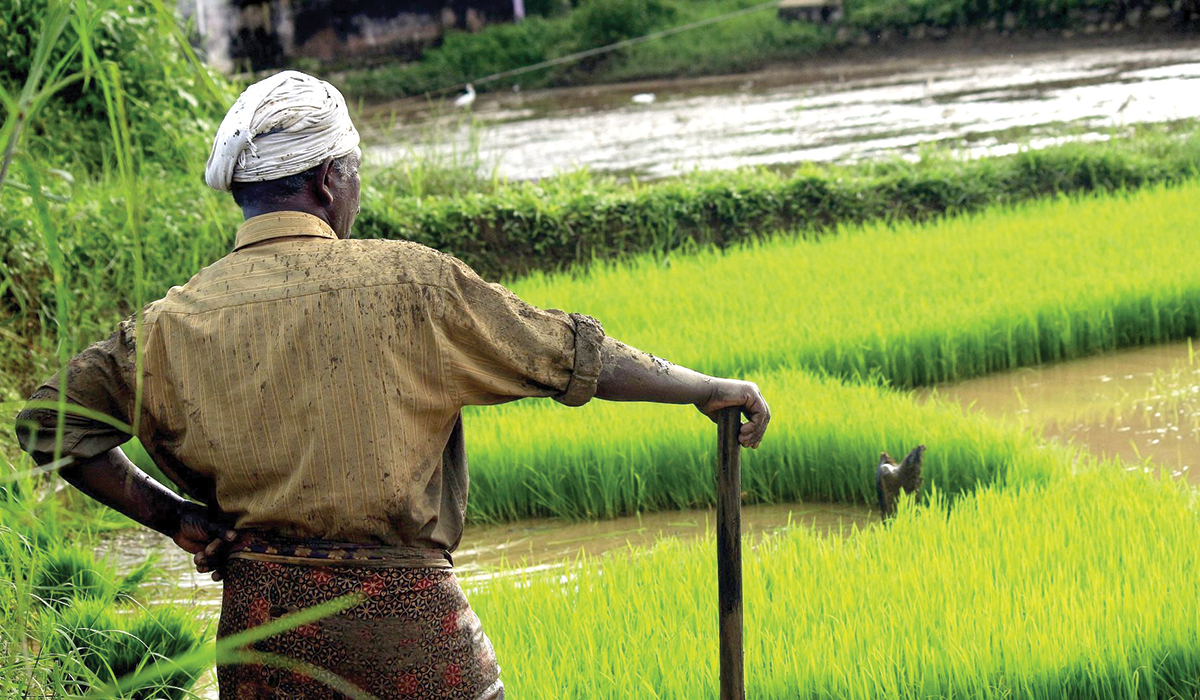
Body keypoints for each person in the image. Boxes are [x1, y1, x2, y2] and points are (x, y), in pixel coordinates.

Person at [14, 71, 770, 699]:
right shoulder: (409, 282)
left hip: (261, 640)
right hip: (406, 633)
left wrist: (177, 519)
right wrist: (706, 387)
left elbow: (47, 423)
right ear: (326, 178)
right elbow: (572, 354)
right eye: (355, 173)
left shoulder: (170, 323)